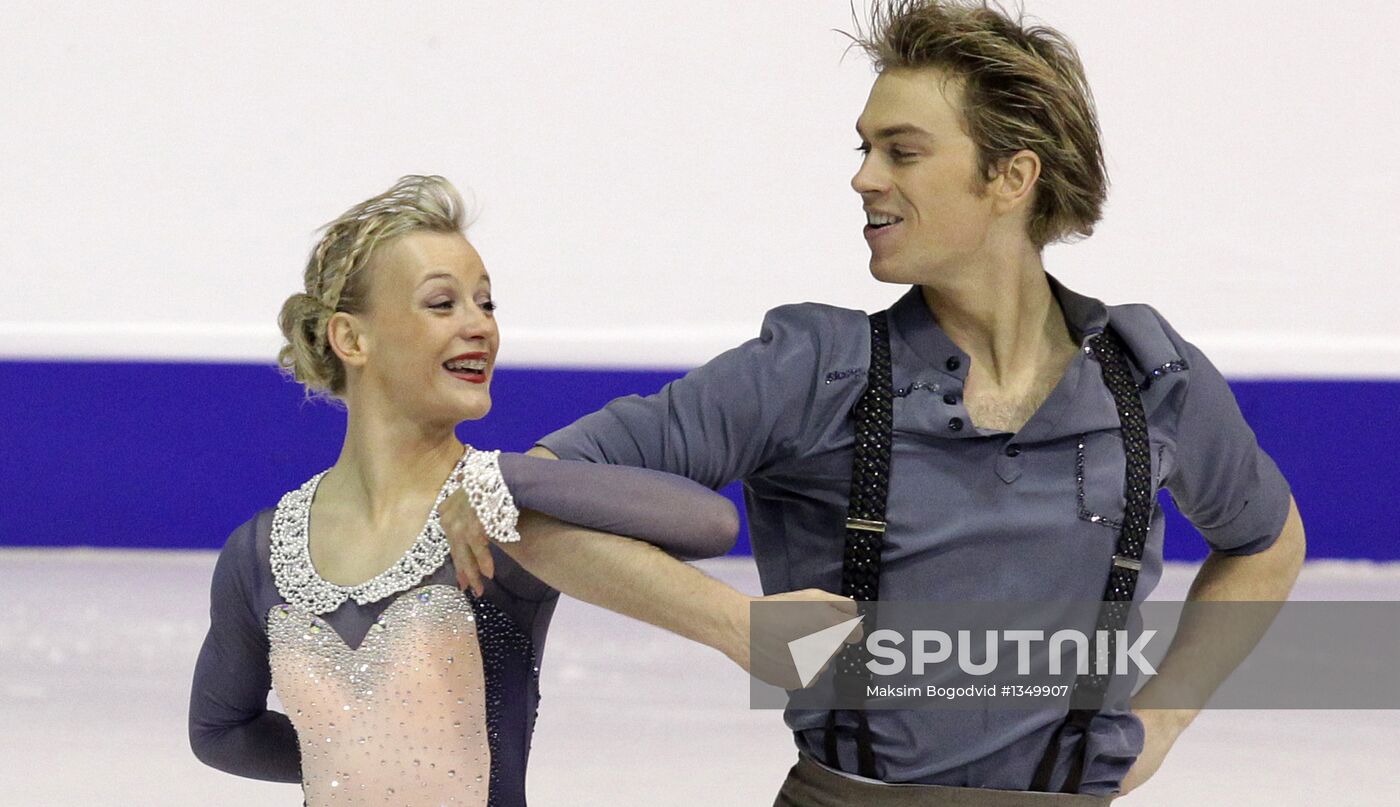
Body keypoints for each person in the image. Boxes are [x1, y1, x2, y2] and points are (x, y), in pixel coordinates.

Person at [446, 2, 1308, 804]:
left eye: (901, 151)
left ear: (1011, 177)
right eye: (863, 149)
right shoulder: (816, 370)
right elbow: (518, 497)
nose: (863, 178)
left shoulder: (1149, 380)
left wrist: (1168, 717)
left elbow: (1266, 542)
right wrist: (730, 622)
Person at [187, 174, 849, 807]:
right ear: (351, 337)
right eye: (443, 302)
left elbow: (708, 523)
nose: (480, 325)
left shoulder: (500, 517)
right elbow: (219, 729)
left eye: (487, 302)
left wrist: (509, 475)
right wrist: (360, 758)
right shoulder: (262, 549)